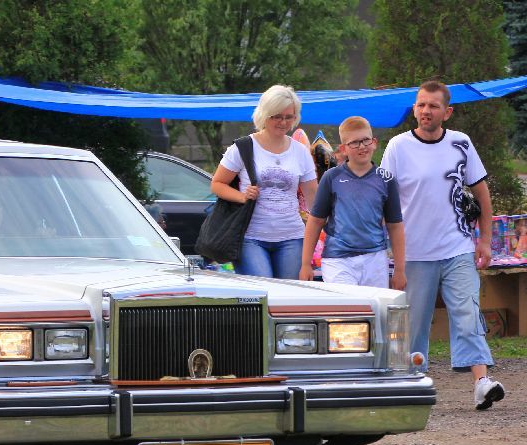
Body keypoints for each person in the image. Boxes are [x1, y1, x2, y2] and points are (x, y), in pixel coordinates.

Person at [381, 80, 505, 410]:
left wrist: (485, 241)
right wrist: (387, 248)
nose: (425, 111)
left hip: (458, 246)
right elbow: (384, 199)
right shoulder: (397, 147)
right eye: (421, 105)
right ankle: (408, 384)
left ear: (446, 112)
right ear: (415, 109)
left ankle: (481, 381)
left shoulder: (461, 144)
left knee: (468, 312)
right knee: (413, 322)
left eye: (433, 106)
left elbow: (482, 193)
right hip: (414, 252)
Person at [210, 85, 318, 279]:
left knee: (287, 298)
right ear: (264, 114)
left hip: (292, 236)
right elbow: (217, 184)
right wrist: (242, 196)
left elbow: (314, 199)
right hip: (250, 236)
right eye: (277, 116)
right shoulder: (243, 147)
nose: (283, 122)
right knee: (264, 291)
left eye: (289, 117)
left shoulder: (300, 152)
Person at [300, 116, 406, 290]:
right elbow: (315, 221)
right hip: (338, 259)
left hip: (375, 258)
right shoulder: (331, 177)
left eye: (365, 140)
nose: (362, 146)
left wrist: (400, 270)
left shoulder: (386, 179)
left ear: (374, 142)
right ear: (343, 149)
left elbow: (395, 226)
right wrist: (305, 264)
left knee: (375, 312)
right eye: (354, 143)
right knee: (348, 312)